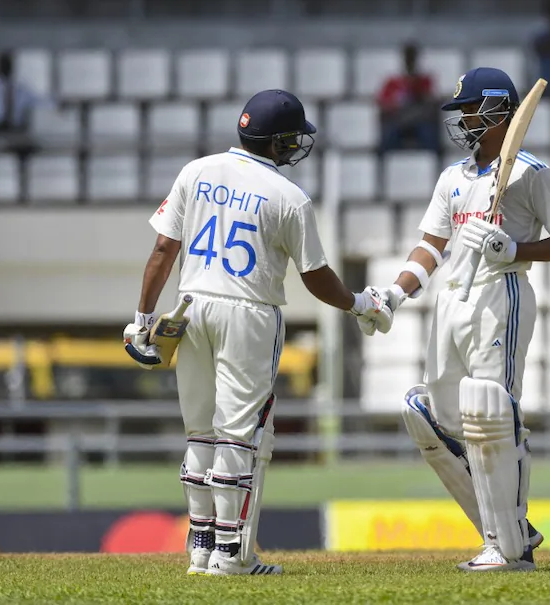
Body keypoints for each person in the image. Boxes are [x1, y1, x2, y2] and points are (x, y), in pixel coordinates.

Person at [123, 89, 392, 576]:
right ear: (279, 142)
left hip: (191, 305)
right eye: (293, 138)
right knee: (238, 437)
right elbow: (315, 277)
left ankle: (200, 548)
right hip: (249, 312)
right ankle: (231, 555)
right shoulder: (290, 197)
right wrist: (359, 304)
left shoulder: (196, 171)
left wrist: (143, 320)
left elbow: (163, 250)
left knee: (199, 433)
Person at [359, 67, 550, 572]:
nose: (460, 120)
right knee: (427, 416)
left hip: (499, 295)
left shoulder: (532, 173)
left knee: (492, 413)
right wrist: (395, 294)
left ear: (499, 111)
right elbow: (431, 247)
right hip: (451, 303)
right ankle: (510, 528)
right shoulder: (452, 178)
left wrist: (515, 249)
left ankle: (508, 546)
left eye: (469, 110)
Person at [377, 42, 440, 153]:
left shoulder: (424, 80)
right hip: (398, 121)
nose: (410, 62)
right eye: (408, 58)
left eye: (412, 58)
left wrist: (418, 91)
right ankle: (383, 165)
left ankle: (435, 163)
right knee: (388, 138)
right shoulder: (393, 82)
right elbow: (383, 103)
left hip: (419, 120)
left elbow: (430, 102)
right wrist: (396, 104)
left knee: (429, 136)